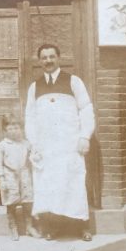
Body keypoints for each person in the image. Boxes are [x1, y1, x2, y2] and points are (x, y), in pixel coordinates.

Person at [25, 43, 95, 241]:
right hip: (47, 148)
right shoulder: (34, 87)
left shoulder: (73, 81)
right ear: (40, 61)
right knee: (50, 186)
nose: (48, 60)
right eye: (44, 57)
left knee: (74, 183)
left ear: (59, 58)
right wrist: (33, 143)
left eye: (52, 56)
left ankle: (82, 226)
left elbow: (86, 109)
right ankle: (54, 228)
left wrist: (84, 136)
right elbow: (29, 117)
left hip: (70, 145)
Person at [0, 114, 40, 241]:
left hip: (24, 174)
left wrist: (36, 155)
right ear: (5, 130)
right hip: (10, 176)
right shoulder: (2, 145)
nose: (14, 131)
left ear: (21, 128)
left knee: (28, 202)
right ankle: (13, 227)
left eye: (16, 128)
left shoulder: (26, 143)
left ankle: (29, 227)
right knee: (11, 202)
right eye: (10, 128)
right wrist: (1, 179)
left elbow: (34, 154)